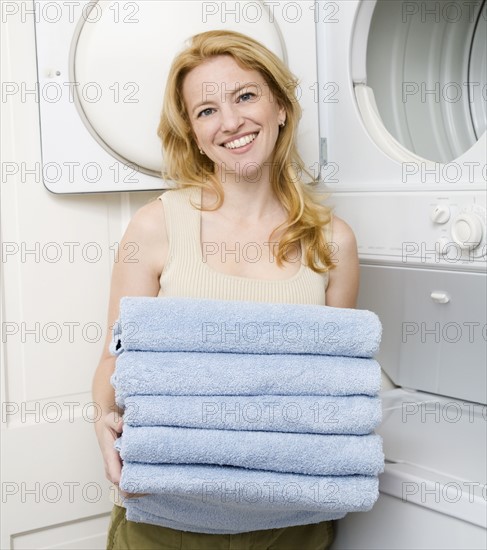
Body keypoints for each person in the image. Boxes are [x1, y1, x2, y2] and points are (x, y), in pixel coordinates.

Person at [92, 30, 359, 550]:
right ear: (192, 132)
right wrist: (103, 418)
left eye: (245, 96)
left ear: (280, 105)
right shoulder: (154, 228)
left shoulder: (332, 241)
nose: (232, 122)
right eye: (207, 110)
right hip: (166, 515)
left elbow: (338, 385)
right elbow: (113, 359)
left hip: (291, 519)